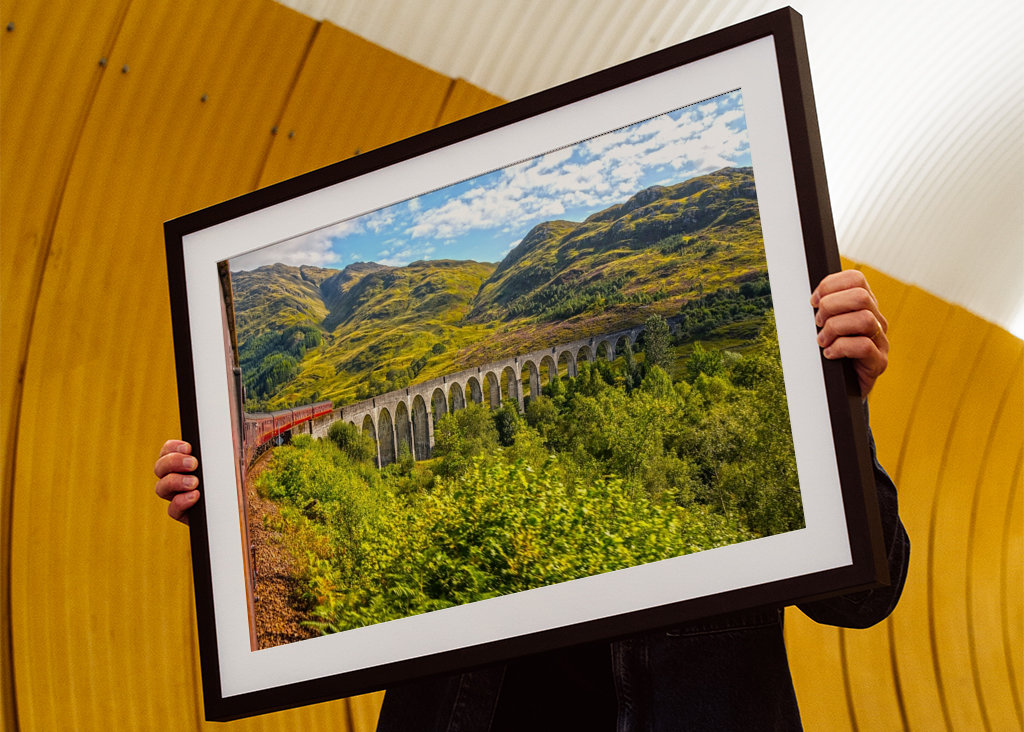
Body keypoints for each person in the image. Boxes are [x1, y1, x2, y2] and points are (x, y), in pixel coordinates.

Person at [154, 270, 908, 730]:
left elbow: (864, 597)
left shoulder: (768, 418)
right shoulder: (448, 517)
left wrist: (839, 406)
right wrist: (224, 518)